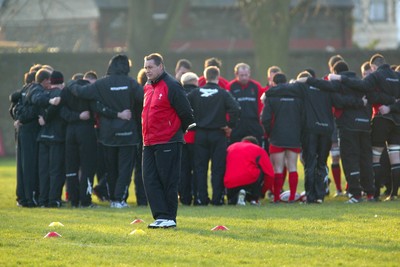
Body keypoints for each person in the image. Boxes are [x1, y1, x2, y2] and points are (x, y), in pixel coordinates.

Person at [68, 54, 143, 208]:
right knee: (125, 169)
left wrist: (70, 84)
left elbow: (82, 92)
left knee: (111, 169)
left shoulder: (101, 84)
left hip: (108, 135)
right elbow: (145, 99)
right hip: (128, 134)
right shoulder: (131, 83)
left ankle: (113, 198)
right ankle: (118, 199)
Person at [330, 54, 400, 201]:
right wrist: (393, 103)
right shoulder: (396, 75)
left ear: (373, 67)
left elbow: (364, 88)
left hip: (381, 119)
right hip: (397, 121)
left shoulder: (377, 76)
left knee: (374, 158)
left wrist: (341, 79)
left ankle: (373, 193)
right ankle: (393, 194)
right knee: (395, 158)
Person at [305, 61, 375, 203]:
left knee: (350, 159)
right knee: (365, 159)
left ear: (335, 72)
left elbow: (338, 102)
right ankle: (370, 193)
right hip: (365, 126)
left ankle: (355, 194)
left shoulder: (337, 84)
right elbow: (369, 100)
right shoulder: (360, 82)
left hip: (348, 126)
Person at [142, 53, 194, 228]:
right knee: (149, 179)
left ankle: (169, 217)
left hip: (168, 141)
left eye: (150, 67)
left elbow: (186, 113)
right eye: (145, 67)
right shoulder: (148, 87)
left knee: (168, 180)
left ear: (160, 67)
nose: (147, 70)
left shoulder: (172, 85)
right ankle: (160, 215)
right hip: (148, 142)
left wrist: (175, 132)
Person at [188, 66, 240, 206]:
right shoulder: (223, 93)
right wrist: (230, 125)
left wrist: (191, 124)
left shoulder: (195, 93)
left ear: (204, 77)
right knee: (218, 168)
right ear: (218, 76)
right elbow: (236, 108)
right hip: (218, 133)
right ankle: (217, 199)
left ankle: (201, 199)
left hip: (200, 133)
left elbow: (184, 107)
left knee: (200, 168)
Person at [261, 73, 303, 203]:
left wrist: (269, 133)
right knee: (292, 167)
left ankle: (277, 198)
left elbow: (265, 119)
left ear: (273, 83)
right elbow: (302, 116)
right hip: (293, 135)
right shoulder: (297, 95)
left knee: (277, 168)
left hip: (277, 135)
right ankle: (291, 197)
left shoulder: (271, 96)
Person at [61, 70, 99, 208]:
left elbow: (62, 111)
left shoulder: (67, 90)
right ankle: (86, 200)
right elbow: (96, 109)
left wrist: (75, 116)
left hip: (70, 131)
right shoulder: (89, 91)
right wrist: (82, 116)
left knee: (72, 167)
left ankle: (73, 200)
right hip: (87, 131)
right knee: (87, 167)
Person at [32, 70, 66, 208]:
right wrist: (46, 118)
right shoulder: (59, 94)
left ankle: (42, 199)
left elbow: (37, 106)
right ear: (61, 81)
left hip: (43, 136)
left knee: (43, 170)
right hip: (56, 137)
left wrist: (43, 118)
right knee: (55, 170)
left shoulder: (43, 93)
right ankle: (53, 200)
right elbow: (55, 109)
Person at [9, 70, 38, 207]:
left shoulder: (21, 93)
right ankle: (29, 197)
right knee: (29, 165)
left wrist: (18, 119)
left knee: (22, 166)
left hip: (21, 132)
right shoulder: (33, 93)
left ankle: (22, 197)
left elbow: (13, 110)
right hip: (30, 132)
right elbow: (31, 111)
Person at [224, 136, 274, 206]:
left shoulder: (231, 147)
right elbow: (270, 174)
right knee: (262, 170)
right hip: (249, 181)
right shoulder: (258, 149)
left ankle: (236, 197)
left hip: (230, 183)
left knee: (232, 200)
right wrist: (262, 192)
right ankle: (253, 199)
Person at [227, 63, 265, 145]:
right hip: (237, 125)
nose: (244, 78)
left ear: (249, 74)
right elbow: (226, 107)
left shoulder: (256, 86)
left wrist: (261, 123)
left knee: (255, 148)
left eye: (246, 75)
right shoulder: (230, 87)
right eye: (241, 75)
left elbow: (261, 106)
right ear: (236, 74)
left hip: (253, 123)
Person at [179, 72, 199, 205]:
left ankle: (185, 198)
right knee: (198, 169)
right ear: (196, 82)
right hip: (197, 137)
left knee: (183, 169)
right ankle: (198, 196)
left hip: (181, 137)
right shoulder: (200, 94)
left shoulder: (179, 94)